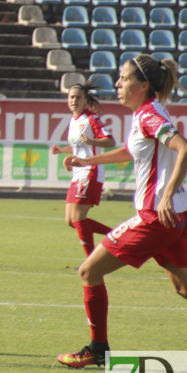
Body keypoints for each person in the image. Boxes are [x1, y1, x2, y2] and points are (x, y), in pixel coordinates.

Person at [56, 55, 187, 373]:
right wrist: (86, 161)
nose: (118, 84)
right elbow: (130, 151)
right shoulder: (147, 113)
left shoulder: (149, 115)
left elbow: (186, 149)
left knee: (88, 272)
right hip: (178, 217)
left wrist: (166, 193)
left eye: (123, 79)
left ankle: (98, 349)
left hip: (155, 218)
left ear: (142, 86)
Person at [49, 82, 115, 256]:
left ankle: (90, 261)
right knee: (70, 220)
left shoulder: (91, 119)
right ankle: (117, 236)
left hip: (90, 171)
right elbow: (79, 147)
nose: (74, 100)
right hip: (78, 172)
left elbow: (110, 141)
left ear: (86, 100)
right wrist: (63, 151)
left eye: (78, 97)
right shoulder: (74, 120)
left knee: (78, 218)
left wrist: (92, 141)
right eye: (71, 97)